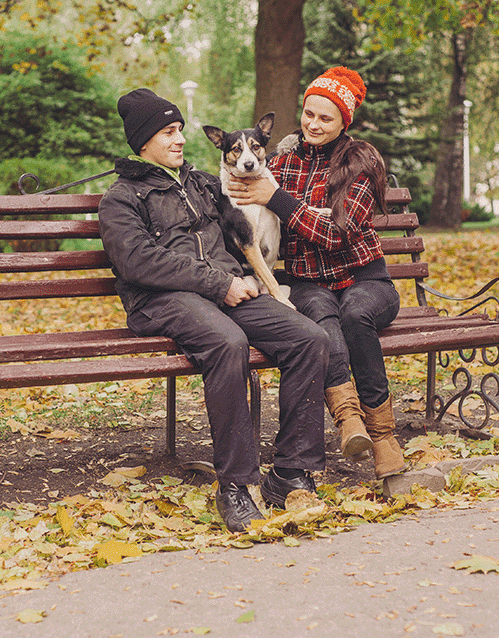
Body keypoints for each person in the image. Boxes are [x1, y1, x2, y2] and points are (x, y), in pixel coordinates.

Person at [98, 88, 331, 532]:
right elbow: (138, 262)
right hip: (162, 300)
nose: (181, 139)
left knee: (309, 337)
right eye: (169, 131)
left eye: (181, 130)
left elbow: (246, 224)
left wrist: (240, 274)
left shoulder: (202, 183)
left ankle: (289, 474)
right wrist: (219, 282)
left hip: (227, 289)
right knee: (229, 343)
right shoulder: (122, 197)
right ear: (142, 141)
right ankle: (237, 486)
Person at [229, 67, 407, 479]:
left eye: (325, 118)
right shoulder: (283, 161)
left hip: (366, 278)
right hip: (309, 282)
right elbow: (239, 188)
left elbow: (338, 233)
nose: (313, 124)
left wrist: (281, 200)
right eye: (309, 113)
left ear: (345, 121)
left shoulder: (362, 161)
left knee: (355, 315)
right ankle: (349, 423)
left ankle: (382, 436)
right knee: (322, 319)